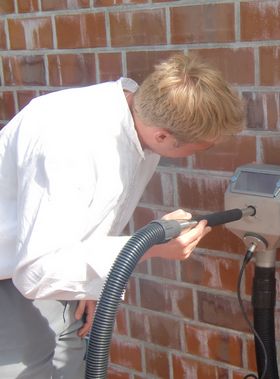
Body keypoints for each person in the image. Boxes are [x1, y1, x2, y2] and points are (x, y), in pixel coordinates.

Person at [0, 53, 245, 378]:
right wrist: (150, 248)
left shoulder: (137, 119)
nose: (198, 155)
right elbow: (35, 272)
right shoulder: (69, 142)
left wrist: (90, 286)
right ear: (163, 136)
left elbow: (90, 217)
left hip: (58, 282)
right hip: (12, 284)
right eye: (200, 148)